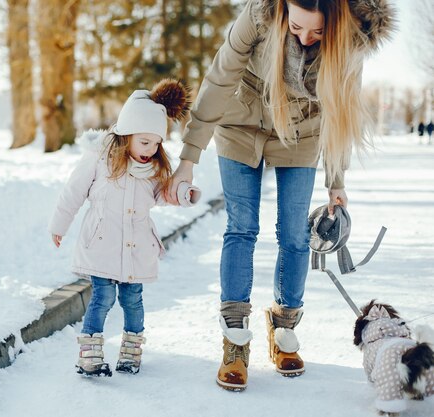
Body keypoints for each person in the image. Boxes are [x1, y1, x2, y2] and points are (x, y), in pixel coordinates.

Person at [165, 0, 395, 391]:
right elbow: (220, 79)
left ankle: (284, 328)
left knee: (294, 235)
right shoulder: (257, 19)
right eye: (297, 29)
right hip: (241, 123)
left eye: (318, 32)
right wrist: (189, 157)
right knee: (242, 227)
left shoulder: (350, 41)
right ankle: (235, 341)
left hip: (301, 131)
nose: (306, 39)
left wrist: (336, 181)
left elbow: (340, 113)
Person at [49, 79, 199, 377]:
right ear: (126, 134)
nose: (151, 149)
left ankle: (131, 352)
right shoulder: (98, 158)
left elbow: (163, 194)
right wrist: (59, 225)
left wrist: (185, 194)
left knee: (133, 299)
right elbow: (73, 192)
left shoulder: (152, 168)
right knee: (102, 297)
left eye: (157, 143)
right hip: (102, 242)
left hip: (137, 245)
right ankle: (89, 354)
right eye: (145, 142)